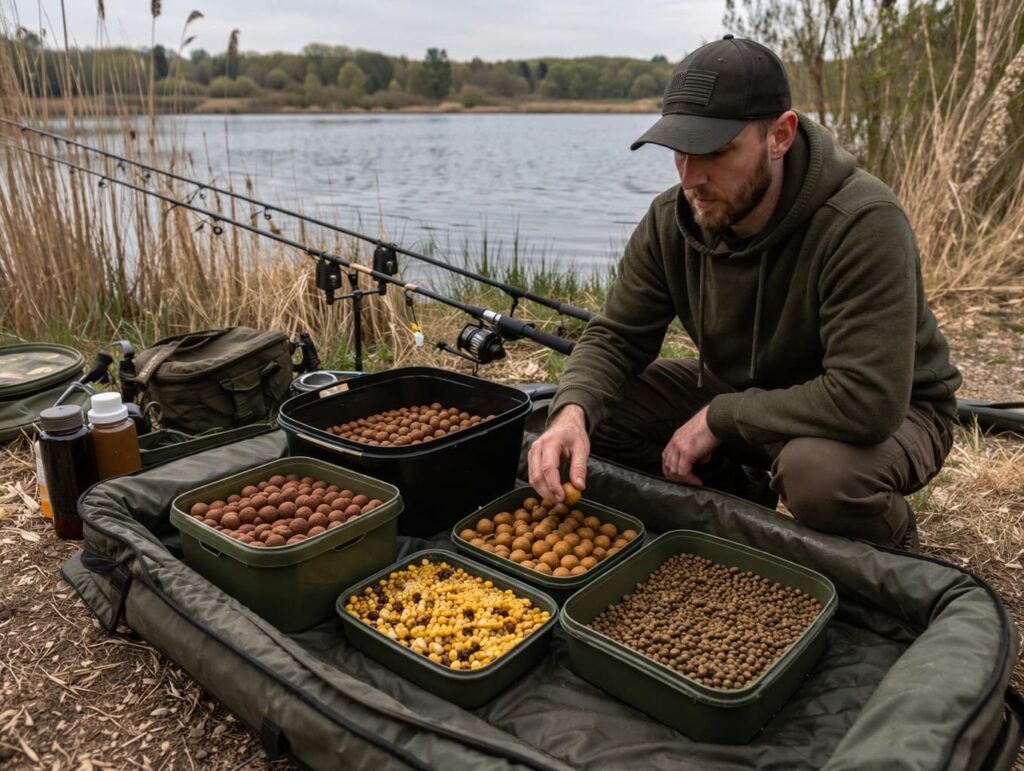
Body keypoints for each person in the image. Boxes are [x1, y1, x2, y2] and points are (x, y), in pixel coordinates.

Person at [527, 35, 961, 550]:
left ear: (780, 135)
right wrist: (572, 411)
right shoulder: (674, 218)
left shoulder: (862, 222)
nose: (692, 177)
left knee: (818, 478)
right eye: (679, 152)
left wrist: (720, 417)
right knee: (568, 417)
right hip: (746, 391)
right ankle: (738, 499)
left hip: (893, 411)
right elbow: (616, 338)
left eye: (715, 151)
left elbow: (869, 398)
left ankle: (889, 547)